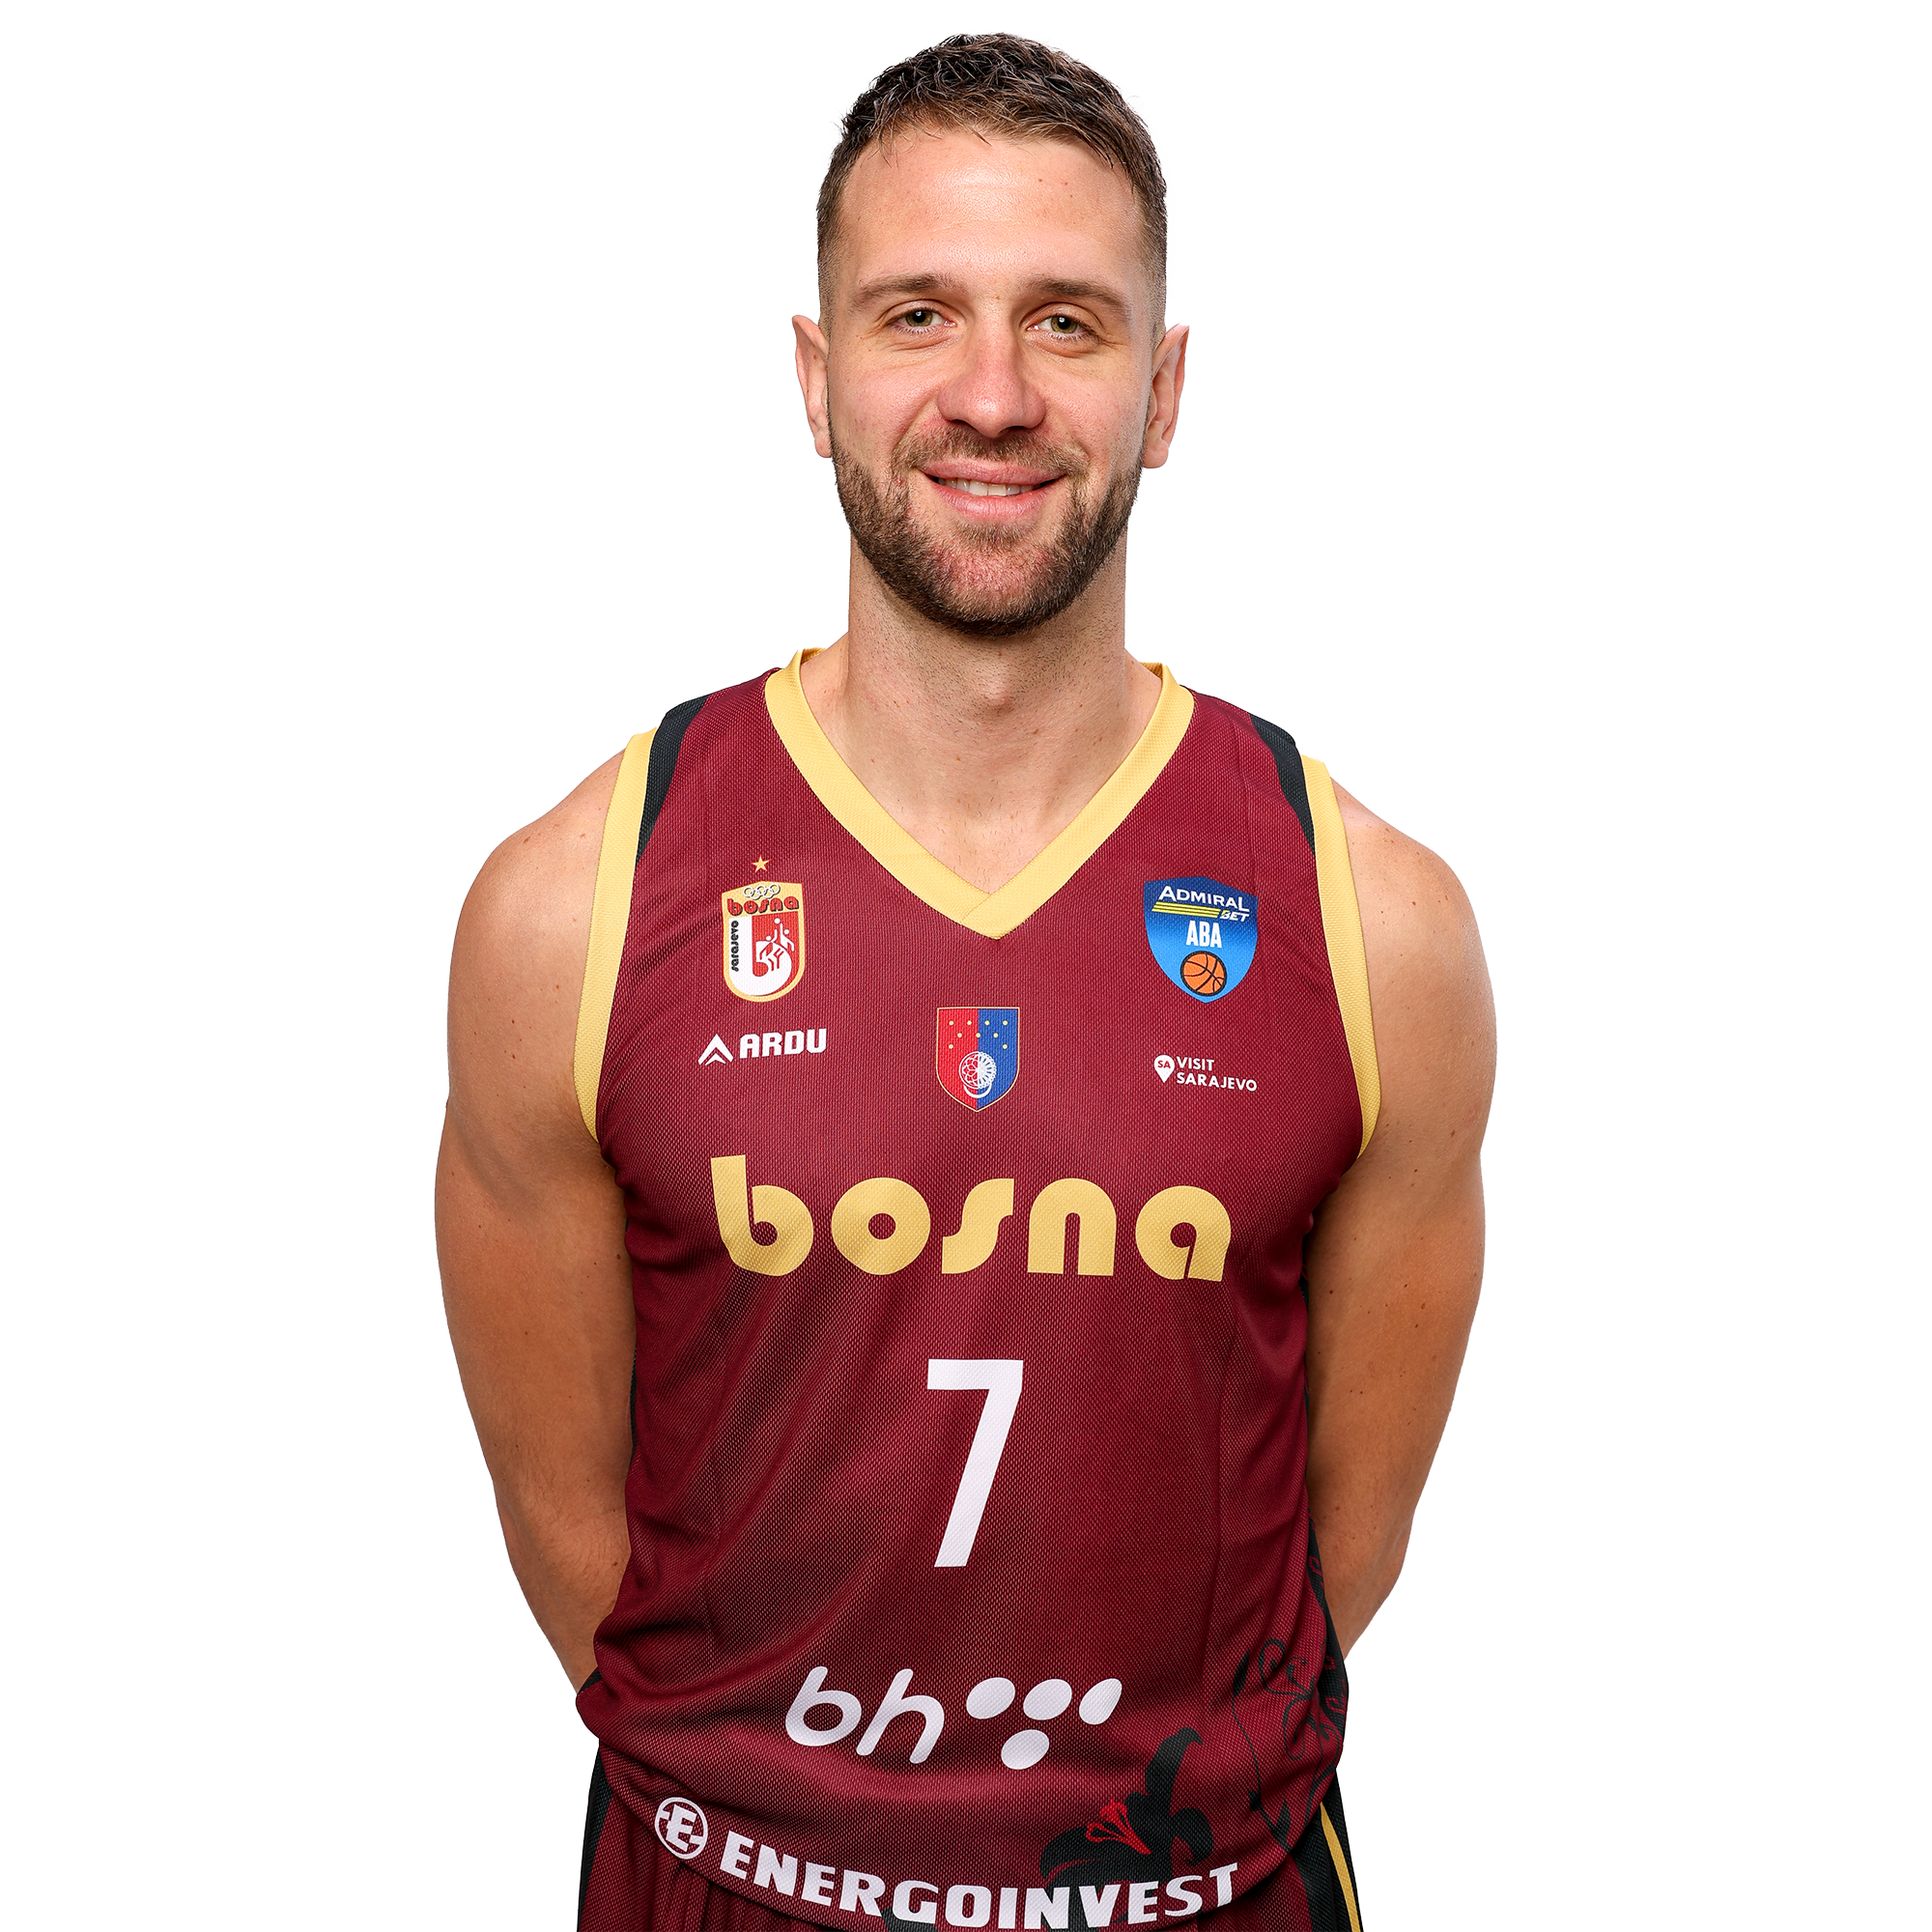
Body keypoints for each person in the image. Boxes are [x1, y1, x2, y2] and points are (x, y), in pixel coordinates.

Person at [438, 34, 1494, 1932]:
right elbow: (568, 1530)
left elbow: (1342, 1541)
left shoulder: (1376, 925)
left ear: (1164, 391)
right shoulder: (569, 907)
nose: (992, 395)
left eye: (1067, 322)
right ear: (814, 374)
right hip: (725, 1885)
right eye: (917, 313)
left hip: (1189, 1891)